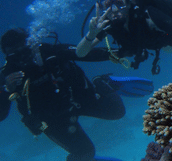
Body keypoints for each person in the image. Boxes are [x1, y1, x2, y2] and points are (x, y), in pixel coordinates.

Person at [0, 28, 152, 161]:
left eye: (24, 49)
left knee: (117, 112)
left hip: (78, 100)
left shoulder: (49, 52)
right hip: (53, 120)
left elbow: (83, 53)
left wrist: (120, 52)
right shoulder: (6, 76)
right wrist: (6, 89)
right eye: (15, 54)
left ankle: (103, 82)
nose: (22, 56)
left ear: (31, 44)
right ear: (7, 55)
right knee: (85, 153)